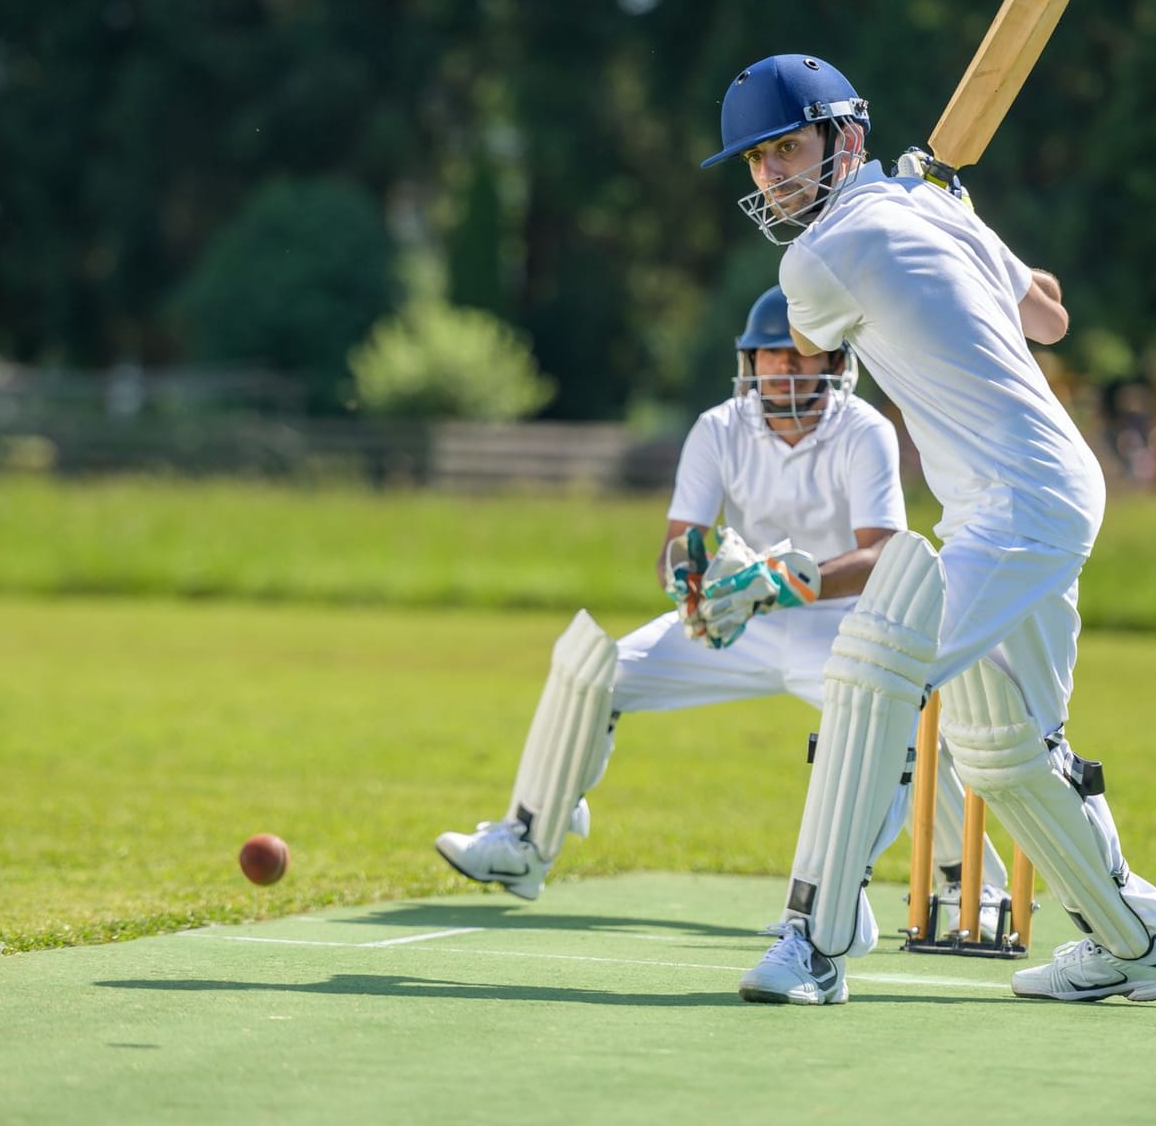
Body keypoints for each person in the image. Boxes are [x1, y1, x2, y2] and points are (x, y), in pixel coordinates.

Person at [697, 53, 1156, 1006]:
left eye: (787, 148)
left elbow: (812, 344)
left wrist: (945, 212)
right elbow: (1049, 315)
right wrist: (964, 214)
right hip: (1029, 493)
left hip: (1020, 500)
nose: (771, 177)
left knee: (872, 671)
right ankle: (1136, 946)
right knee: (1006, 746)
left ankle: (816, 943)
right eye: (757, 162)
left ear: (849, 138)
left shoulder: (817, 257)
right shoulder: (935, 212)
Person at [435, 285, 1015, 950]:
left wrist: (788, 584)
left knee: (894, 721)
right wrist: (688, 581)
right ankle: (527, 839)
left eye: (803, 355)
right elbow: (680, 541)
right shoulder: (718, 428)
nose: (786, 368)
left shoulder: (865, 430)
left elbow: (882, 550)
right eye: (772, 355)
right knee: (596, 666)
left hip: (837, 625)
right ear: (750, 361)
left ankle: (967, 882)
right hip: (739, 621)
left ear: (834, 363)